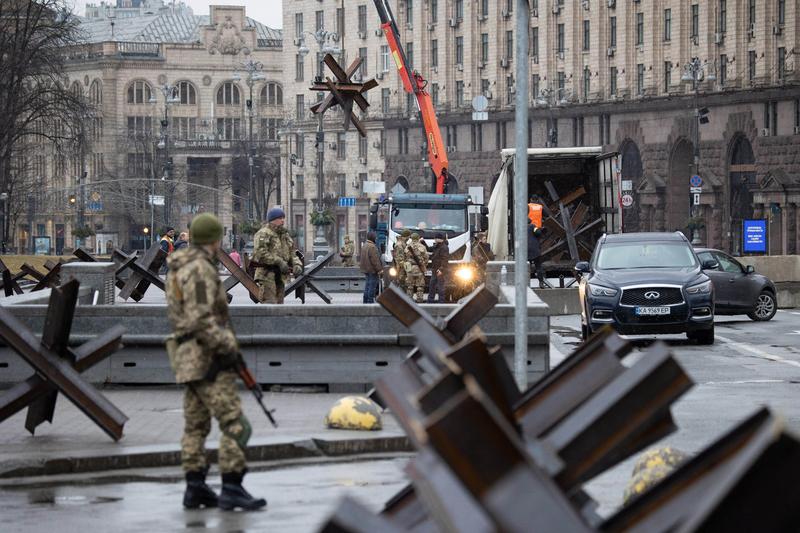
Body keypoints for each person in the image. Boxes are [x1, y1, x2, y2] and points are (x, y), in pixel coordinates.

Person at [164, 213, 266, 512]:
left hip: (186, 358)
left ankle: (195, 486)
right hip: (208, 358)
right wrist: (228, 349)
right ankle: (232, 485)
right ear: (213, 239)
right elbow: (201, 318)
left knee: (195, 426)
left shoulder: (180, 266)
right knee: (235, 422)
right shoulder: (199, 270)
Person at [251, 207, 303, 304]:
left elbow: (292, 251)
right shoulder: (263, 233)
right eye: (280, 218)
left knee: (279, 305)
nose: (283, 220)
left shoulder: (284, 234)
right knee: (269, 305)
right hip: (266, 275)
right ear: (272, 220)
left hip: (280, 275)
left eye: (283, 218)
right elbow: (260, 253)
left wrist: (297, 264)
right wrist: (278, 261)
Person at [359, 230, 383, 303]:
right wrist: (380, 270)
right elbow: (375, 260)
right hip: (372, 270)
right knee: (372, 287)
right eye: (375, 237)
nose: (376, 238)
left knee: (367, 286)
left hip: (366, 269)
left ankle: (365, 301)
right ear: (372, 237)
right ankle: (370, 301)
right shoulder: (372, 247)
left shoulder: (365, 245)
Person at [405, 232, 428, 303]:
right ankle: (420, 301)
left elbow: (404, 257)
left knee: (409, 286)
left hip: (409, 268)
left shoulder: (407, 247)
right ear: (418, 238)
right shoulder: (422, 247)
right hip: (419, 268)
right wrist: (424, 266)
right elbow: (426, 258)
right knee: (420, 287)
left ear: (411, 238)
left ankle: (409, 302)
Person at [427, 233, 450, 303]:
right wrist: (423, 242)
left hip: (440, 270)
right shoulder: (437, 246)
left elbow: (445, 259)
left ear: (439, 239)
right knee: (432, 285)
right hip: (435, 269)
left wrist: (441, 269)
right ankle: (430, 300)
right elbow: (429, 249)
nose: (434, 239)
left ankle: (441, 301)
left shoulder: (444, 247)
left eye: (435, 238)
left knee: (440, 286)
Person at [528, 219, 546, 288]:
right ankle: (541, 283)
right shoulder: (532, 226)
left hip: (525, 251)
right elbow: (538, 233)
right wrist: (540, 229)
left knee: (527, 268)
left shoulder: (520, 228)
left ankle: (526, 284)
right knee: (538, 267)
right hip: (535, 250)